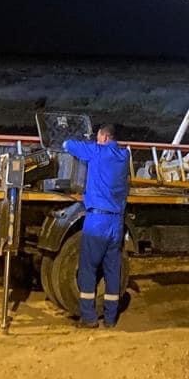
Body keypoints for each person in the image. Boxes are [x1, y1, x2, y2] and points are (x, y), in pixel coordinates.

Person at [63, 123, 129, 329]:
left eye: (98, 137)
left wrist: (69, 140)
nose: (96, 140)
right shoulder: (124, 156)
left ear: (104, 137)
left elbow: (68, 145)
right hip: (116, 221)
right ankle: (110, 318)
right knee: (112, 270)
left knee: (88, 268)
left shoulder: (96, 152)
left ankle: (89, 317)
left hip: (97, 220)